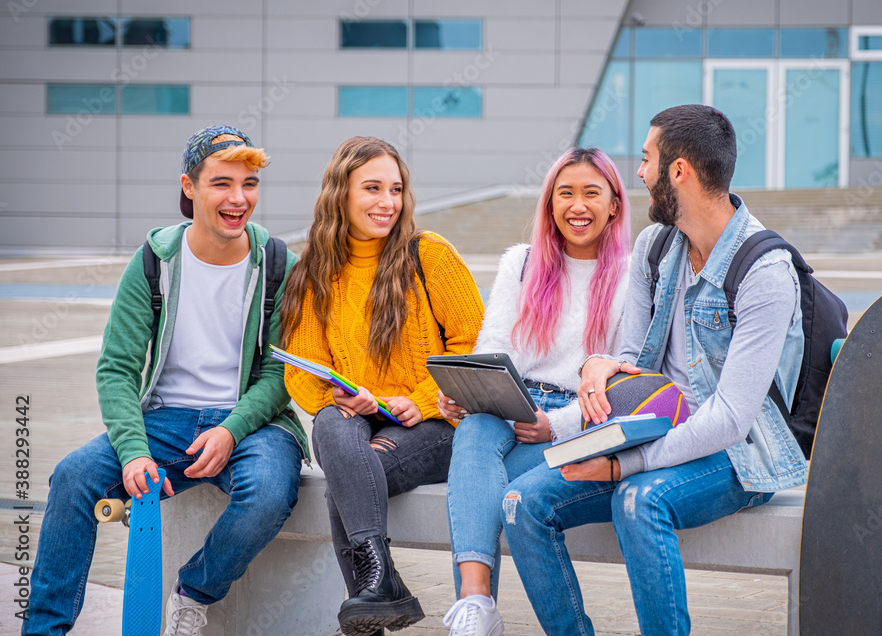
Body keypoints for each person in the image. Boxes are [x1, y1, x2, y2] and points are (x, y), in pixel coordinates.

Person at [502, 104, 809, 635]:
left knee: (639, 502)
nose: (638, 174)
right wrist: (599, 368)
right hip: (654, 431)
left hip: (740, 455)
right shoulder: (656, 246)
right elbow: (635, 368)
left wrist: (626, 466)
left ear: (679, 170)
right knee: (520, 503)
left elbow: (732, 419)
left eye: (646, 160)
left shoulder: (765, 270)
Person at [23, 125, 308, 636]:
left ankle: (192, 593)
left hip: (255, 424)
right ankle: (43, 629)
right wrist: (133, 451)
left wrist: (232, 429)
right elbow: (117, 368)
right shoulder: (155, 260)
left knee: (269, 491)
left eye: (250, 184)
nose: (239, 199)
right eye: (222, 183)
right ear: (189, 186)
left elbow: (281, 370)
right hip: (166, 419)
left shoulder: (279, 264)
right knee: (72, 476)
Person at [280, 136, 485, 636]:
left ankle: (375, 597)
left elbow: (477, 348)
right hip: (357, 420)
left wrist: (417, 399)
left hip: (439, 422)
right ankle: (380, 586)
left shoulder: (428, 255)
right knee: (331, 421)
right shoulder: (315, 273)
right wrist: (341, 394)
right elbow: (303, 371)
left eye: (395, 189)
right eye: (372, 188)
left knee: (344, 480)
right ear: (341, 195)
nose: (387, 202)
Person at [437, 147, 631, 636]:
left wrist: (557, 424)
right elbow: (494, 346)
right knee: (475, 426)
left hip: (579, 420)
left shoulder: (632, 277)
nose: (577, 205)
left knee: (485, 484)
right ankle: (476, 602)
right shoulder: (521, 263)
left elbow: (627, 378)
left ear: (614, 205)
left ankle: (475, 612)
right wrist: (466, 389)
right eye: (565, 193)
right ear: (549, 204)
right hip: (510, 403)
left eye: (591, 193)